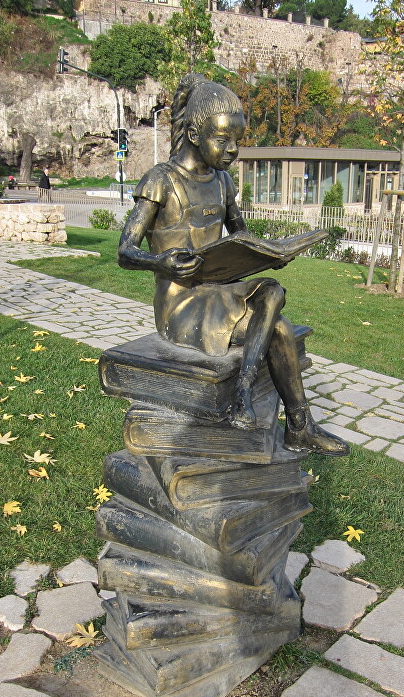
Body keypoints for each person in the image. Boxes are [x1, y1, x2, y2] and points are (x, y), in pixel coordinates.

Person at [117, 73, 346, 456]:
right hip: (181, 305)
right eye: (223, 140)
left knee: (271, 289)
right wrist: (161, 262)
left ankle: (250, 395)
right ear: (194, 134)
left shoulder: (222, 181)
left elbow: (242, 238)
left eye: (237, 140)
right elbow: (125, 252)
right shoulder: (161, 180)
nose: (233, 150)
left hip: (218, 290)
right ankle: (292, 422)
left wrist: (270, 254)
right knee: (279, 329)